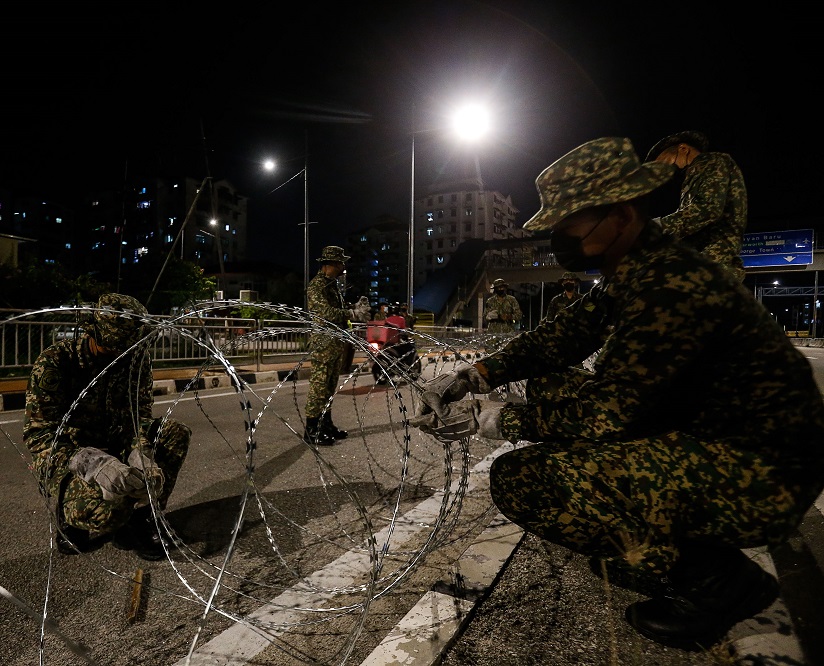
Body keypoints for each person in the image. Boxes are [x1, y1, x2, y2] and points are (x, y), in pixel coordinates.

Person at [411, 137, 824, 652]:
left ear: (623, 216)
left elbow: (606, 413)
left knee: (522, 479)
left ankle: (718, 579)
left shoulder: (670, 283)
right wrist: (472, 376)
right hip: (711, 432)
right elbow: (560, 339)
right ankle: (654, 532)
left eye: (571, 224)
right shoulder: (634, 271)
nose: (560, 237)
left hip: (760, 470)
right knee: (552, 381)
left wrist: (490, 420)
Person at [24, 293, 192, 560]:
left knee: (174, 433)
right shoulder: (56, 361)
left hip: (117, 443)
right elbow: (39, 434)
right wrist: (90, 462)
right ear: (96, 335)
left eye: (127, 348)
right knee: (106, 514)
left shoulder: (134, 360)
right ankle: (69, 515)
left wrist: (141, 453)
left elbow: (139, 418)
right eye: (115, 347)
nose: (120, 354)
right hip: (71, 455)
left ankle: (144, 516)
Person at [645, 130, 748, 283]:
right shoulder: (695, 173)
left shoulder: (710, 161)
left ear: (683, 149)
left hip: (712, 264)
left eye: (664, 161)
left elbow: (708, 209)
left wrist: (656, 226)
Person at [304, 246, 368, 446]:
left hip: (334, 343)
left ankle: (326, 424)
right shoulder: (316, 287)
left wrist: (352, 308)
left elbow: (337, 310)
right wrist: (351, 314)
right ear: (329, 264)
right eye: (340, 263)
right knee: (319, 386)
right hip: (323, 345)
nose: (343, 267)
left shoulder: (331, 286)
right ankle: (312, 429)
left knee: (330, 386)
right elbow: (324, 313)